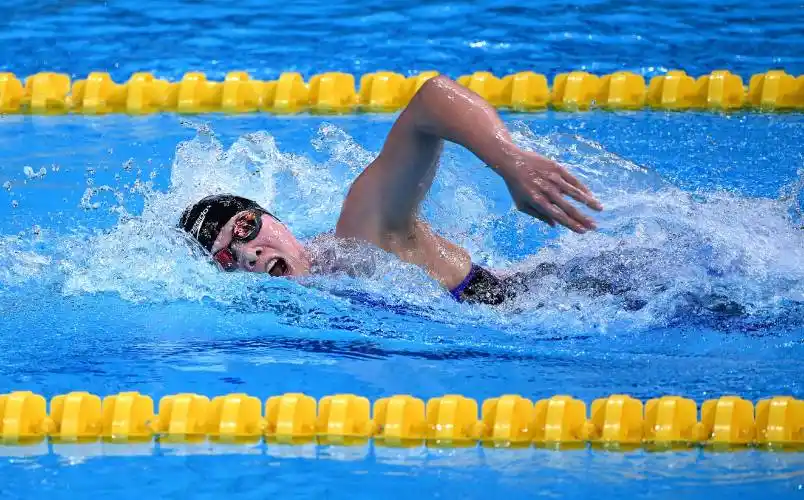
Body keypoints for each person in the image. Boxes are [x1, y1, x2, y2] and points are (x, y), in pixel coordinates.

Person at [179, 75, 603, 305]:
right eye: (225, 257)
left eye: (245, 228)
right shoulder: (314, 292)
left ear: (274, 218)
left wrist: (510, 162)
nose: (247, 252)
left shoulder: (360, 238)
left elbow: (432, 100)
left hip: (578, 296)